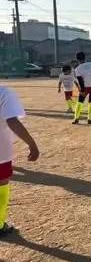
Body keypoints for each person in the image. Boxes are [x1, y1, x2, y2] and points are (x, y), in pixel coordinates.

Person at [0, 84, 40, 238]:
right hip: (0, 152)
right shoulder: (3, 93)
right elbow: (12, 121)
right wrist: (32, 144)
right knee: (1, 184)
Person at [72, 52, 91, 125]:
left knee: (80, 102)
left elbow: (80, 81)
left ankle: (76, 118)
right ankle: (89, 119)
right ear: (85, 57)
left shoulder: (77, 69)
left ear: (77, 59)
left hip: (85, 87)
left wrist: (82, 90)